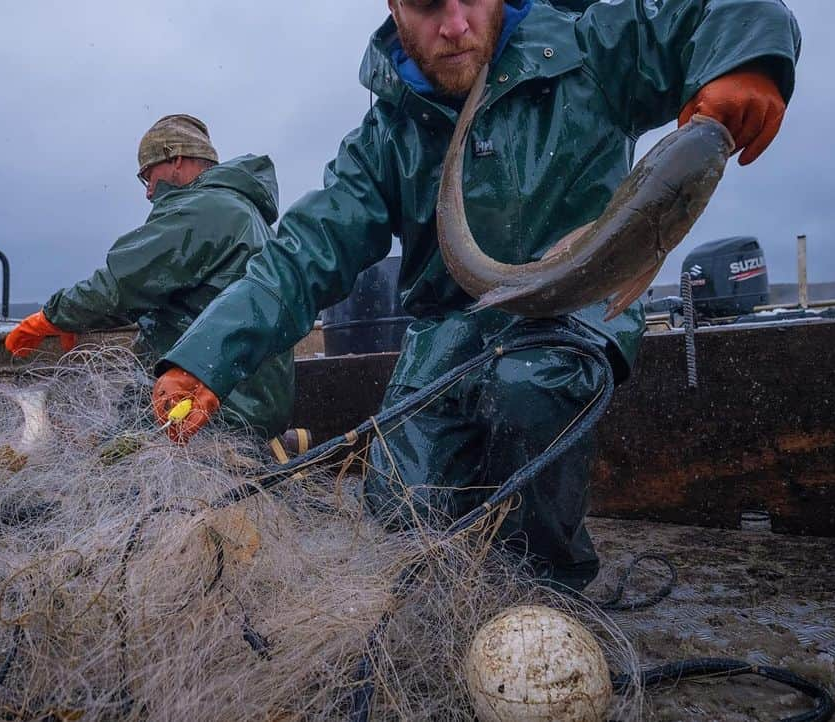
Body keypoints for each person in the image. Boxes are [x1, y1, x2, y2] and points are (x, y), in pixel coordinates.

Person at [151, 0, 801, 590]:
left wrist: (749, 60)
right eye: (430, 6)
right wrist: (205, 359)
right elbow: (300, 256)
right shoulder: (387, 137)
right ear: (395, 9)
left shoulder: (593, 46)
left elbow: (726, 8)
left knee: (529, 387)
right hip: (449, 331)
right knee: (403, 493)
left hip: (569, 313)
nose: (455, 25)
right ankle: (444, 597)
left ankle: (545, 590)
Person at [5, 114, 295, 440]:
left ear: (177, 161)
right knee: (116, 441)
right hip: (245, 396)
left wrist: (52, 316)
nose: (148, 192)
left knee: (115, 467)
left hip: (217, 406)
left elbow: (124, 284)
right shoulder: (241, 210)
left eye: (148, 177)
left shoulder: (206, 209)